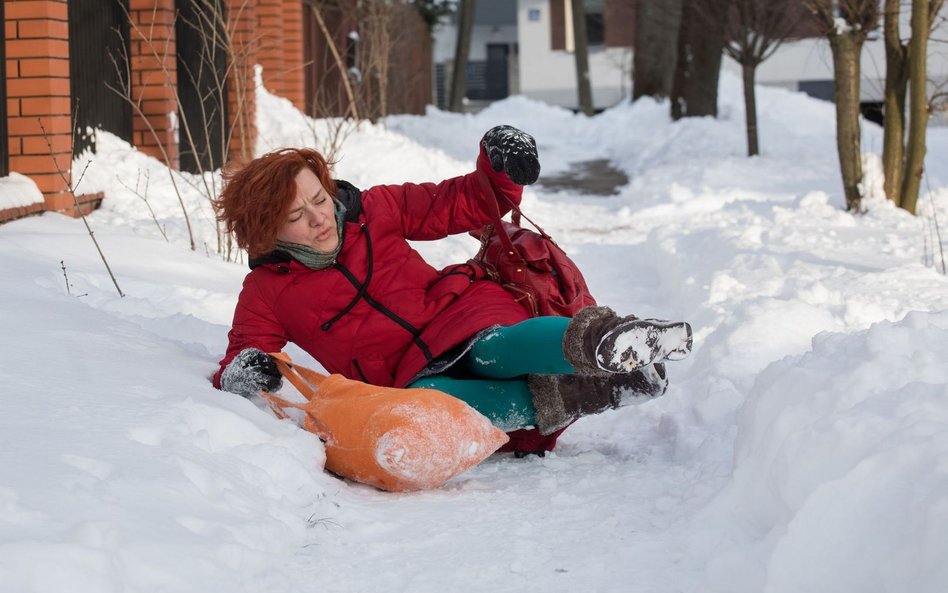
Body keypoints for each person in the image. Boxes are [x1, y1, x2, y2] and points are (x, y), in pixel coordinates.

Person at [212, 125, 692, 443]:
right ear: (266, 231)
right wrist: (244, 371)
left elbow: (457, 201)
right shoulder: (267, 292)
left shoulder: (377, 209)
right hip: (410, 376)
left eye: (319, 198)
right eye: (297, 215)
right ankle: (596, 390)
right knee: (436, 404)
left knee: (493, 349)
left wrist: (499, 171)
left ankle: (607, 339)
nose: (320, 218)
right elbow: (243, 352)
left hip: (458, 313)